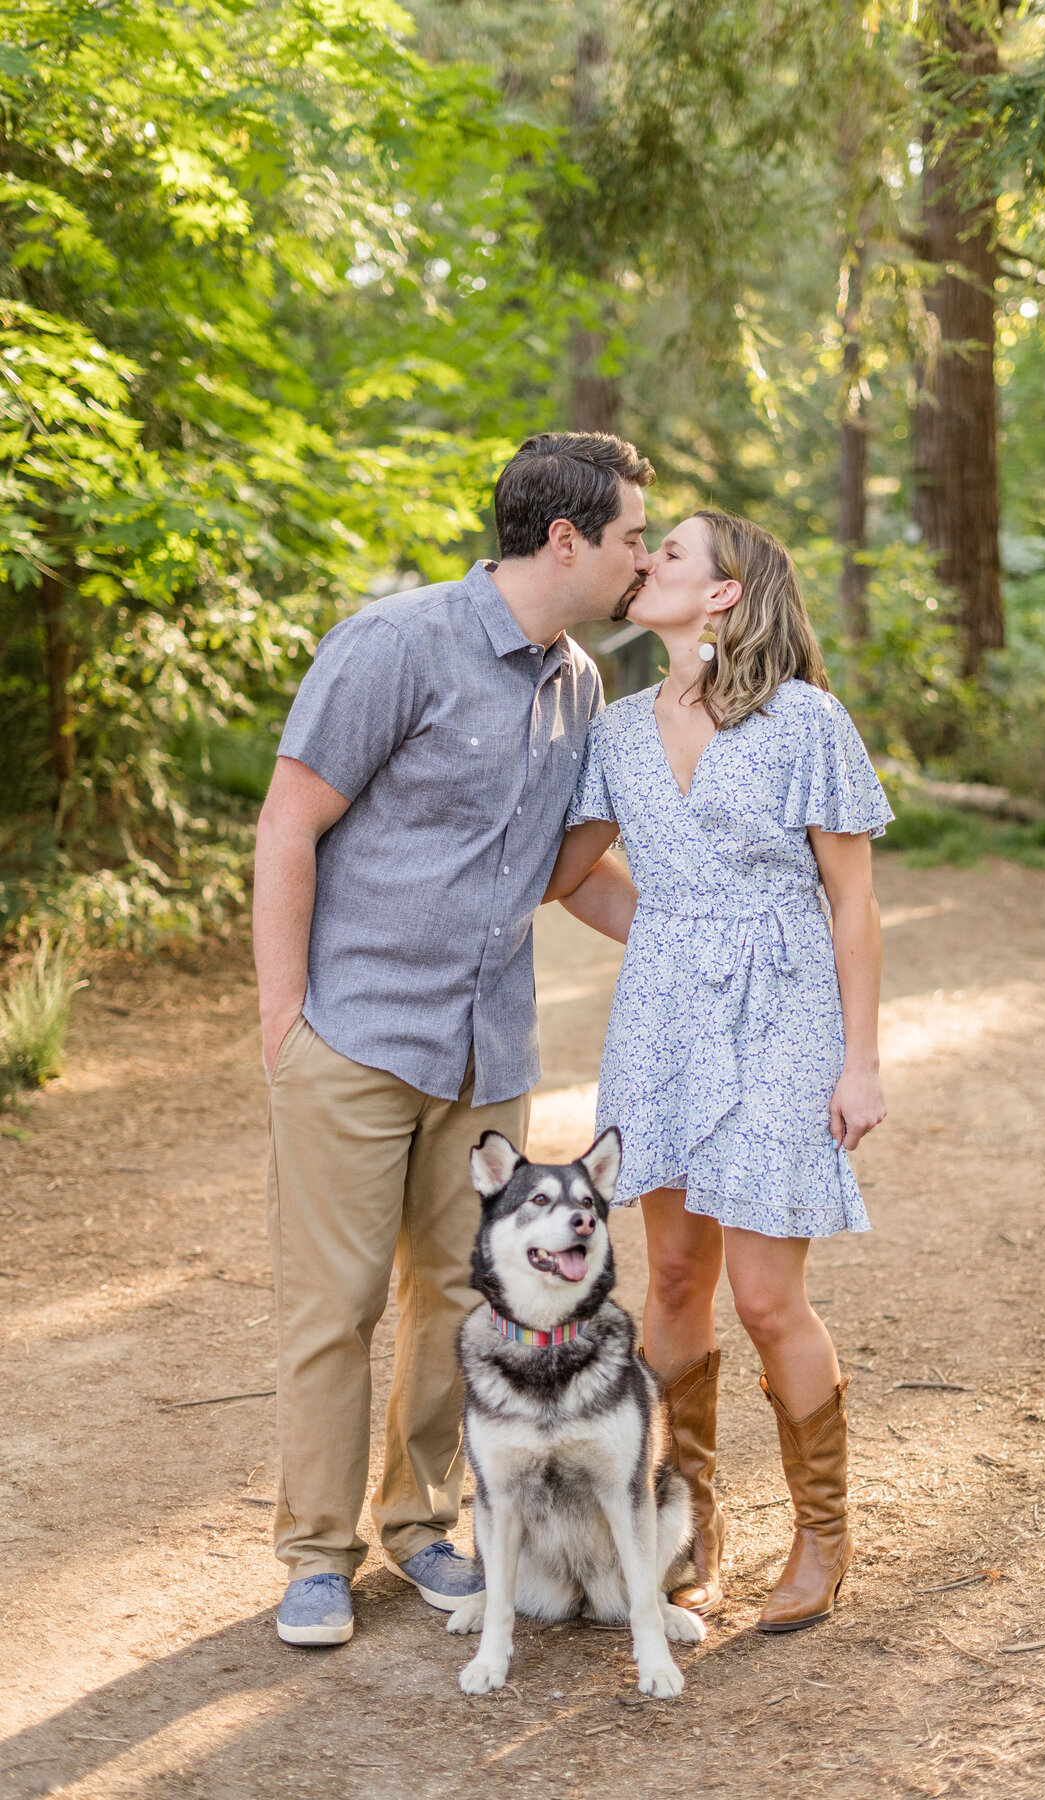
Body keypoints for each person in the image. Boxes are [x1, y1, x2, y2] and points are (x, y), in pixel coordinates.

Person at [253, 431, 654, 1646]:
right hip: (356, 1036)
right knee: (334, 1304)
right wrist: (284, 1023)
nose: (645, 558)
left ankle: (419, 1524)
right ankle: (316, 1555)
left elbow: (560, 877)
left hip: (488, 1050)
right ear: (566, 539)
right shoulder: (396, 644)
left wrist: (713, 939)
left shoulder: (582, 686)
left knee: (460, 1297)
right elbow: (287, 823)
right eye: (633, 536)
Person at [545, 509, 891, 1631]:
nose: (647, 563)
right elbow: (569, 875)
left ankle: (823, 1535)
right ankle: (689, 1522)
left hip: (784, 1017)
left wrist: (861, 1061)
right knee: (673, 1279)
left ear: (726, 593)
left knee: (765, 1296)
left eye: (672, 554)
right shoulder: (617, 728)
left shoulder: (805, 722)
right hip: (663, 1023)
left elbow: (853, 903)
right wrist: (668, 932)